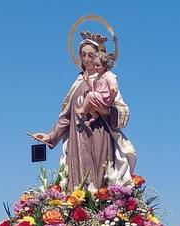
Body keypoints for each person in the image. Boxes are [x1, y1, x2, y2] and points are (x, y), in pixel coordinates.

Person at [31, 31, 136, 189]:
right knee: (76, 180)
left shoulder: (106, 80)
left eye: (91, 55)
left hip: (99, 133)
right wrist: (50, 136)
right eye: (83, 55)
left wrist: (102, 109)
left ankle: (101, 201)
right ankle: (78, 202)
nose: (86, 59)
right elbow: (67, 116)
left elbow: (122, 112)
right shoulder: (78, 83)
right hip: (77, 137)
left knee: (100, 176)